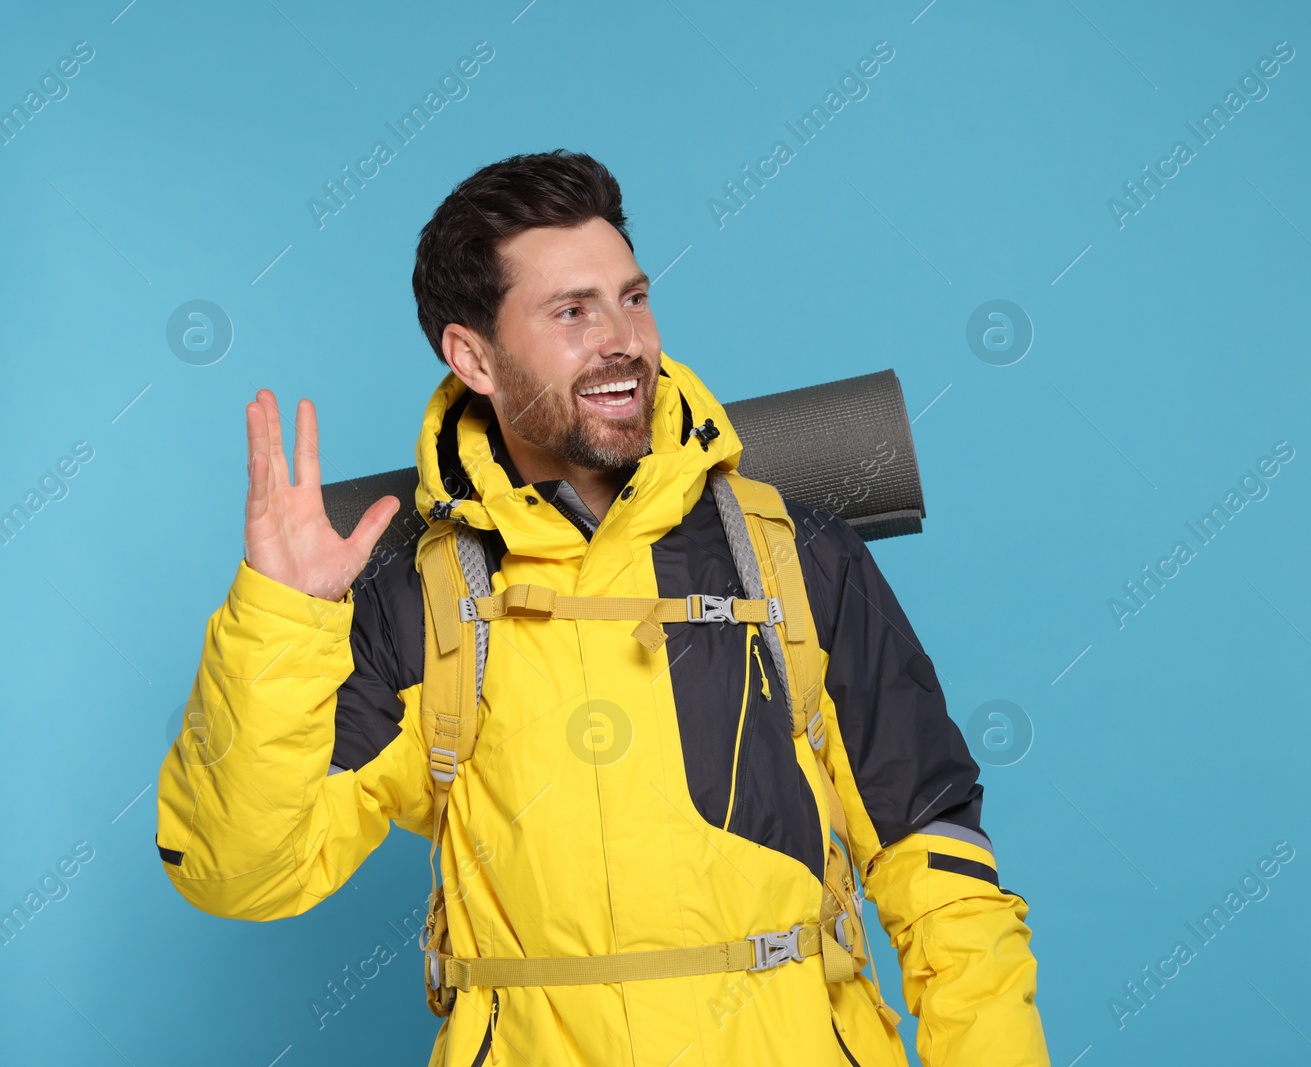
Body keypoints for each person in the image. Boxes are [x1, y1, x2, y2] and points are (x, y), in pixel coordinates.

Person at [155, 150, 1049, 1066]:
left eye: (632, 297)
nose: (623, 337)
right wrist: (281, 618)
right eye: (572, 311)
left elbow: (940, 873)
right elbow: (242, 872)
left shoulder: (797, 556)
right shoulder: (414, 600)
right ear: (474, 357)